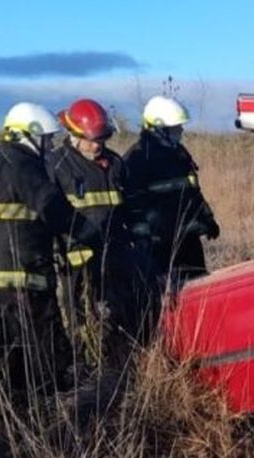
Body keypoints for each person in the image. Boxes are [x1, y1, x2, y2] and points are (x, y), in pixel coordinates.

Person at [0, 102, 103, 401]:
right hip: (26, 280)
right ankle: (54, 413)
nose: (49, 145)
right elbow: (55, 211)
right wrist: (93, 237)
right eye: (46, 139)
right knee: (47, 352)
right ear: (29, 136)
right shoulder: (25, 168)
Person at [49, 98, 146, 357]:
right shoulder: (56, 166)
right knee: (77, 316)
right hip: (76, 260)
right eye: (92, 140)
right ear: (74, 134)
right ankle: (83, 362)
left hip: (115, 253)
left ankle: (119, 357)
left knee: (118, 310)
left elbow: (130, 206)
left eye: (101, 139)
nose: (97, 145)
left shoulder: (114, 164)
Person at [123, 96, 219, 290]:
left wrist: (207, 220)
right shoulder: (138, 158)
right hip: (158, 245)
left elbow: (193, 191)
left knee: (199, 289)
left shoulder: (179, 153)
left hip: (188, 239)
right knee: (166, 295)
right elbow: (133, 206)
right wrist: (142, 239)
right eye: (175, 128)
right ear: (159, 128)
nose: (181, 131)